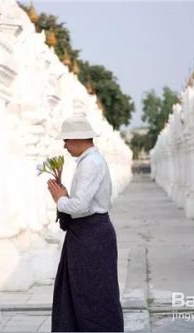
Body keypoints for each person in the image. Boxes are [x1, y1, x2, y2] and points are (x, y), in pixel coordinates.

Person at [47, 115, 124, 332]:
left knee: (93, 295)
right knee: (79, 292)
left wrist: (60, 199)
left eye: (66, 140)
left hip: (92, 237)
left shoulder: (91, 163)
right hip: (87, 235)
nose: (64, 145)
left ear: (78, 138)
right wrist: (64, 196)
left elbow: (80, 207)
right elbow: (81, 204)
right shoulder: (88, 161)